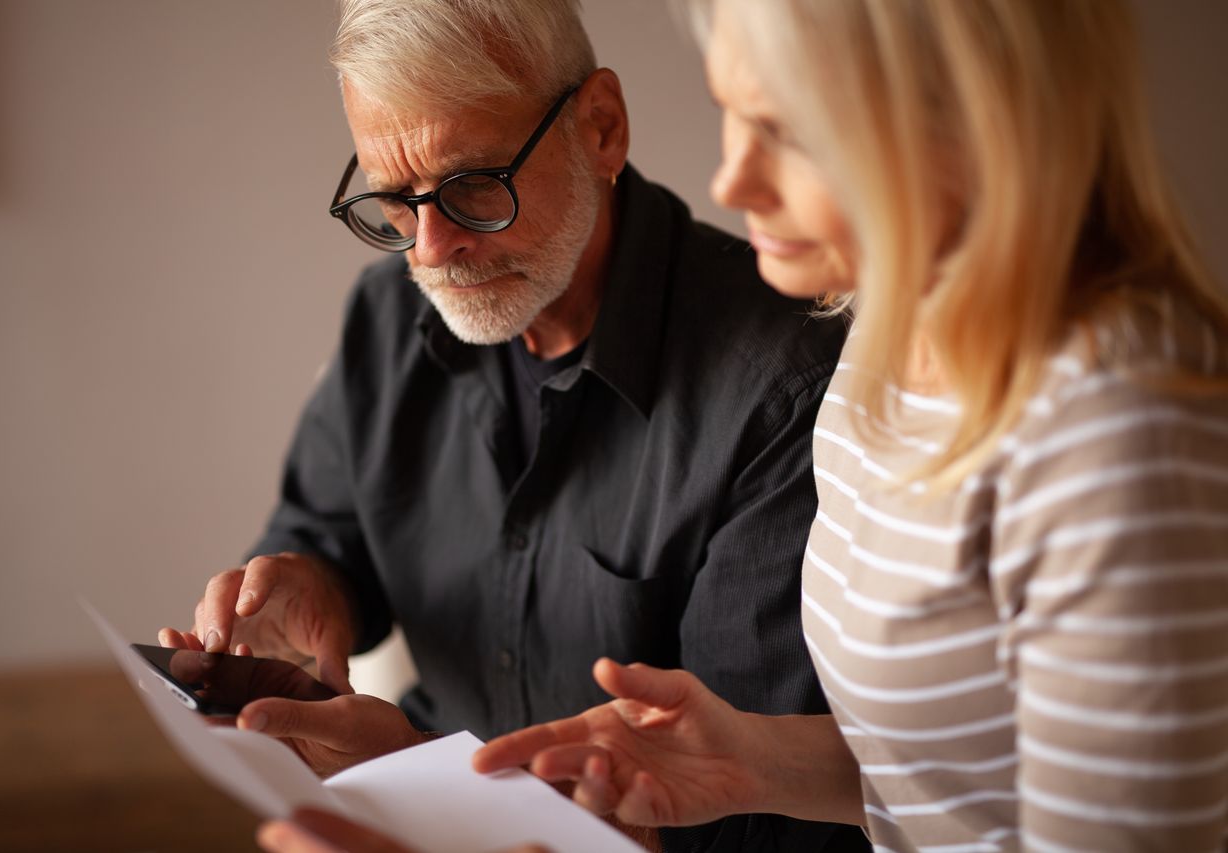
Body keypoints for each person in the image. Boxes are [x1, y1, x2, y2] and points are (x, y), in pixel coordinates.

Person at [474, 0, 1228, 850]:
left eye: (789, 130)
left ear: (976, 120)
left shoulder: (1115, 434)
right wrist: (748, 759)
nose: (732, 182)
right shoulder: (887, 323)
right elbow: (959, 781)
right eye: (733, 110)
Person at [161, 0, 864, 850]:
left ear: (601, 127)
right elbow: (325, 527)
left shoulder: (781, 387)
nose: (428, 248)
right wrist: (314, 585)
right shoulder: (387, 322)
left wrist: (431, 777)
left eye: (472, 188)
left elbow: (750, 817)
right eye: (393, 201)